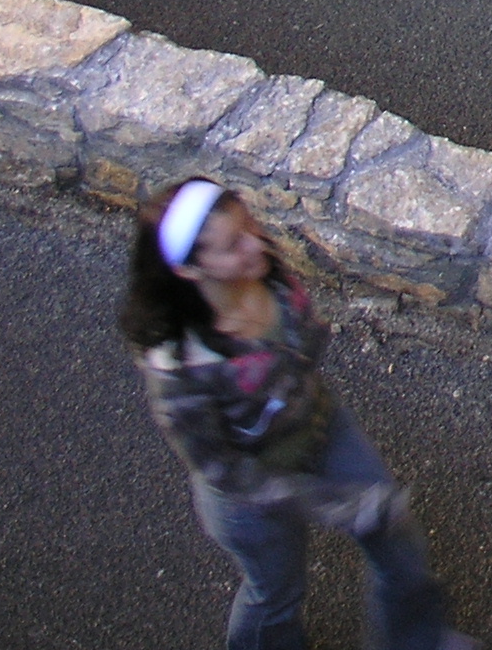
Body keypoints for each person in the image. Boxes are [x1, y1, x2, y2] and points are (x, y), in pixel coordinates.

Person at [123, 180, 470, 650]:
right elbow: (227, 472)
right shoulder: (181, 370)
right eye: (232, 245)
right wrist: (337, 504)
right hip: (251, 493)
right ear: (189, 269)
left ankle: (418, 640)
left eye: (248, 225)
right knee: (277, 594)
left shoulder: (265, 272)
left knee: (396, 534)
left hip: (319, 426)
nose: (256, 243)